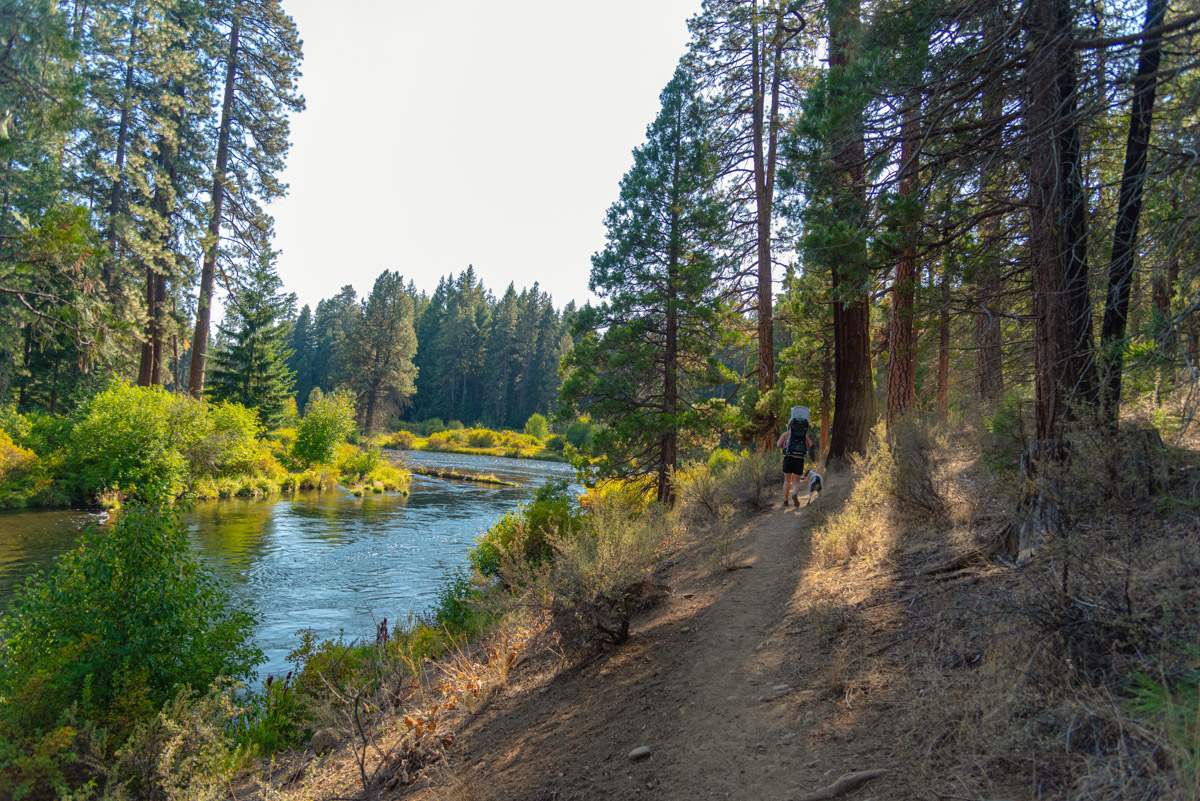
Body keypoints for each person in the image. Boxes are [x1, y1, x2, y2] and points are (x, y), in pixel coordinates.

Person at [776, 406, 813, 508]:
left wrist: (785, 444)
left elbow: (778, 444)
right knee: (796, 482)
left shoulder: (786, 434)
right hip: (799, 459)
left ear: (790, 425)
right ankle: (795, 495)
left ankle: (785, 501)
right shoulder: (804, 434)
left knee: (787, 481)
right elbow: (810, 444)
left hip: (788, 458)